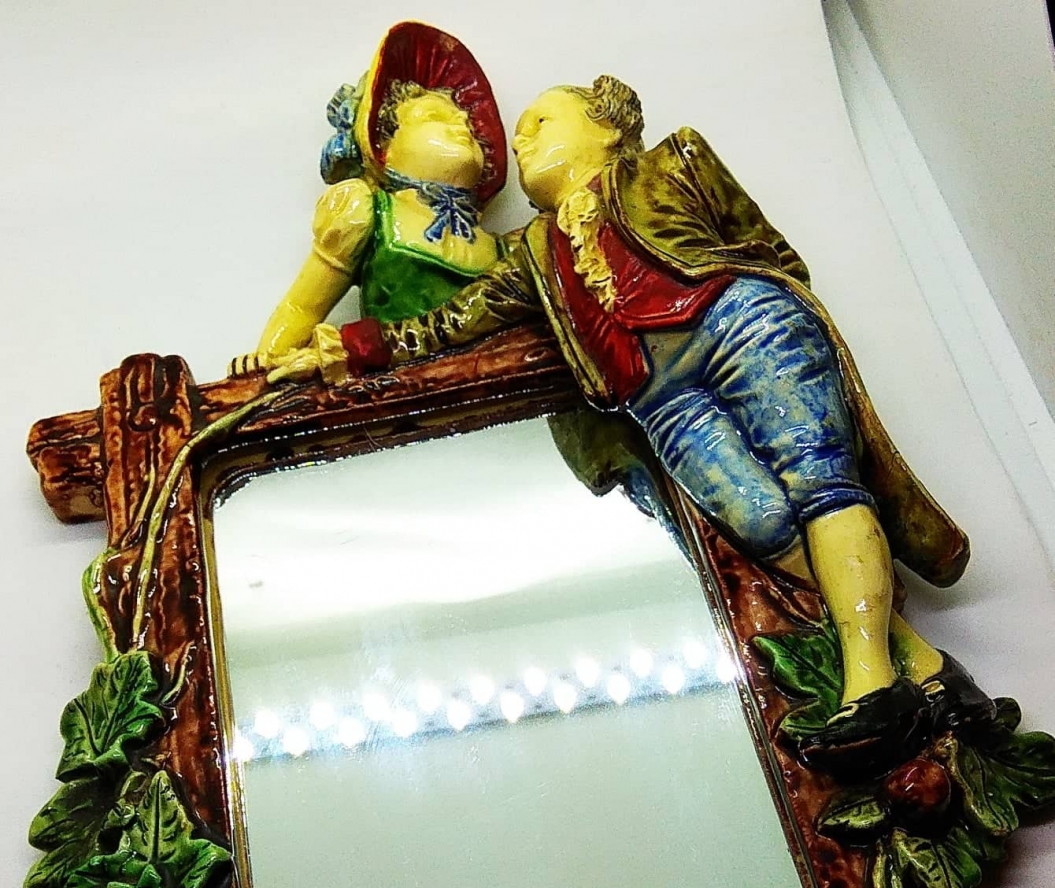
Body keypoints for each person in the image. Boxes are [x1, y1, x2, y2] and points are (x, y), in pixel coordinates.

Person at [269, 75, 989, 774]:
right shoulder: (532, 252)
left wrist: (763, 305)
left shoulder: (672, 165)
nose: (521, 140)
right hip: (658, 394)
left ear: (609, 128)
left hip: (738, 321)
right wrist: (354, 346)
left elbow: (770, 250)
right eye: (519, 135)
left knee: (819, 481)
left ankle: (871, 684)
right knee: (760, 521)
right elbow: (457, 320)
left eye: (541, 122)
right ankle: (920, 663)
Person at [233, 22, 507, 372]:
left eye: (468, 125)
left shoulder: (505, 249)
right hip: (399, 391)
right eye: (434, 117)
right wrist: (266, 362)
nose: (459, 127)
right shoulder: (368, 212)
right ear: (384, 145)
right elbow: (304, 306)